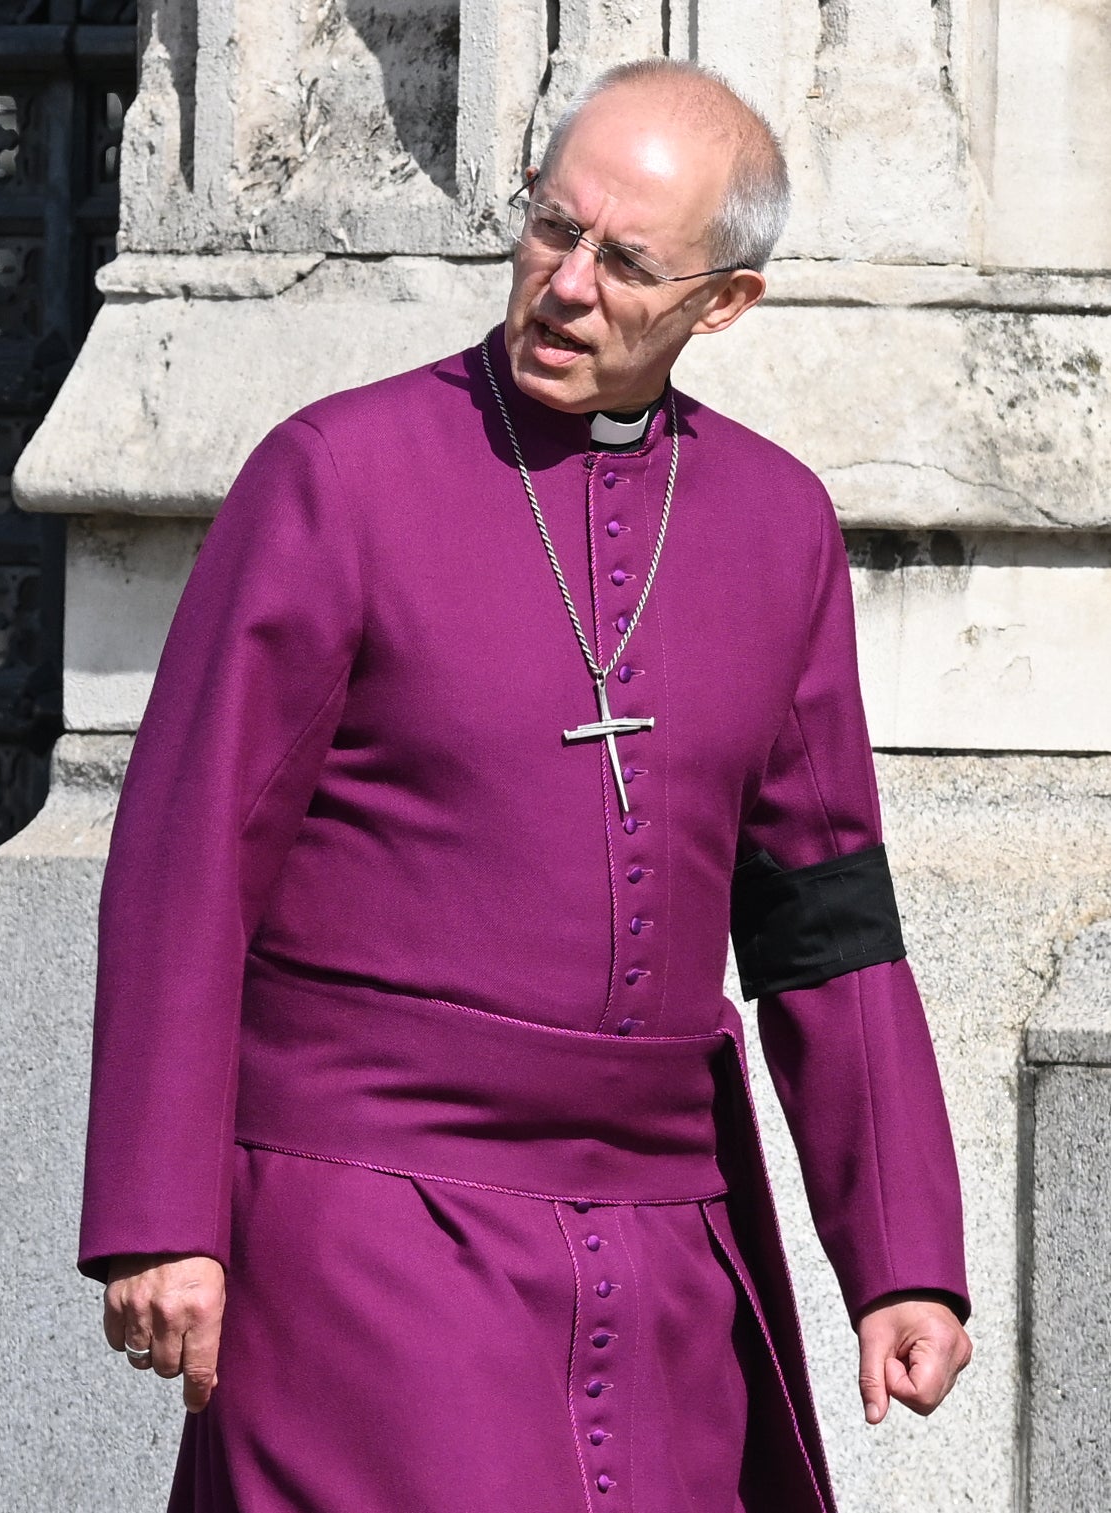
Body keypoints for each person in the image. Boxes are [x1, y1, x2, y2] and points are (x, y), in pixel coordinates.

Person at [80, 58, 972, 1511]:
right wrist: (159, 1213)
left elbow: (824, 912)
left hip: (667, 1244)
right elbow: (188, 863)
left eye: (626, 262)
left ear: (722, 304)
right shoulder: (334, 477)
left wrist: (901, 1252)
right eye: (553, 230)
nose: (566, 284)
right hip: (365, 1227)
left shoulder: (777, 526)